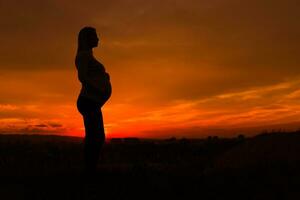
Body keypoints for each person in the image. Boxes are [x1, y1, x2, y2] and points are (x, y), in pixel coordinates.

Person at [75, 26, 112, 176]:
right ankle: (90, 171)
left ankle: (90, 170)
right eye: (95, 36)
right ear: (87, 38)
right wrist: (99, 88)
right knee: (95, 137)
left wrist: (105, 78)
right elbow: (83, 77)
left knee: (95, 136)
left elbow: (90, 75)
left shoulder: (88, 56)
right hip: (88, 100)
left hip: (91, 101)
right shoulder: (83, 56)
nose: (98, 39)